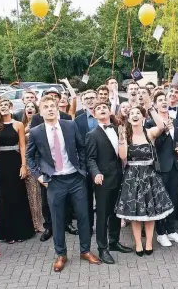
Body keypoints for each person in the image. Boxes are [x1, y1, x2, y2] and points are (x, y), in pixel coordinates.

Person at [26, 97, 100, 271]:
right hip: (54, 181)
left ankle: (85, 250)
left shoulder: (70, 125)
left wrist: (82, 170)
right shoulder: (36, 132)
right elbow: (29, 157)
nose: (50, 109)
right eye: (46, 107)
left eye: (53, 106)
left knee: (83, 216)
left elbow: (81, 148)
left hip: (75, 178)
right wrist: (39, 177)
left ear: (57, 108)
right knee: (57, 220)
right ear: (41, 111)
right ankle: (61, 255)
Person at [115, 104, 171, 256]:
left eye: (138, 113)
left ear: (142, 117)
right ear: (128, 118)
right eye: (132, 113)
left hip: (150, 176)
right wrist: (121, 136)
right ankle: (138, 243)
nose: (134, 115)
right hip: (132, 177)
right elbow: (122, 156)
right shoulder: (126, 135)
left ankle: (148, 243)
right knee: (135, 213)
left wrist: (151, 108)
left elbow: (162, 125)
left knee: (150, 212)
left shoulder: (150, 133)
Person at [86, 100, 134, 264]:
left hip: (119, 177)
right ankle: (102, 248)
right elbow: (90, 159)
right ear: (94, 114)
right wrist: (96, 173)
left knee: (116, 213)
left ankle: (114, 242)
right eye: (98, 108)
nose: (101, 110)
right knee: (102, 215)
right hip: (103, 181)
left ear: (109, 111)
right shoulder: (91, 135)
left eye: (104, 107)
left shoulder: (117, 129)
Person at [0, 99, 34, 243]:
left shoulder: (18, 124)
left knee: (18, 193)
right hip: (1, 161)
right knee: (3, 195)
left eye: (5, 105)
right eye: (1, 106)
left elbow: (22, 146)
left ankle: (22, 232)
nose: (3, 108)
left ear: (11, 107)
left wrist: (23, 165)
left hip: (15, 161)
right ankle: (7, 233)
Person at [149, 91, 178, 246]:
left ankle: (171, 230)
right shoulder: (150, 123)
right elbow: (153, 144)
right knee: (160, 200)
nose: (163, 102)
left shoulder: (177, 121)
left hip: (175, 165)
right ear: (155, 104)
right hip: (160, 166)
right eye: (159, 100)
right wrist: (163, 130)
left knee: (173, 198)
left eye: (165, 100)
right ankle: (161, 232)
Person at [74, 89, 99, 234]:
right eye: (87, 98)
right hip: (85, 165)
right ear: (83, 102)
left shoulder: (106, 116)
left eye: (92, 97)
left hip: (103, 164)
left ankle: (104, 225)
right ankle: (88, 227)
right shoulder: (78, 121)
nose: (90, 100)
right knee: (87, 198)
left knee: (103, 199)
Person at [20, 101, 45, 232]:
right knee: (31, 194)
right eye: (27, 107)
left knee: (38, 194)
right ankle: (34, 222)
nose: (29, 109)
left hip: (38, 161)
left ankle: (39, 222)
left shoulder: (40, 124)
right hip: (25, 161)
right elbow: (19, 141)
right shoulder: (20, 124)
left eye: (32, 107)